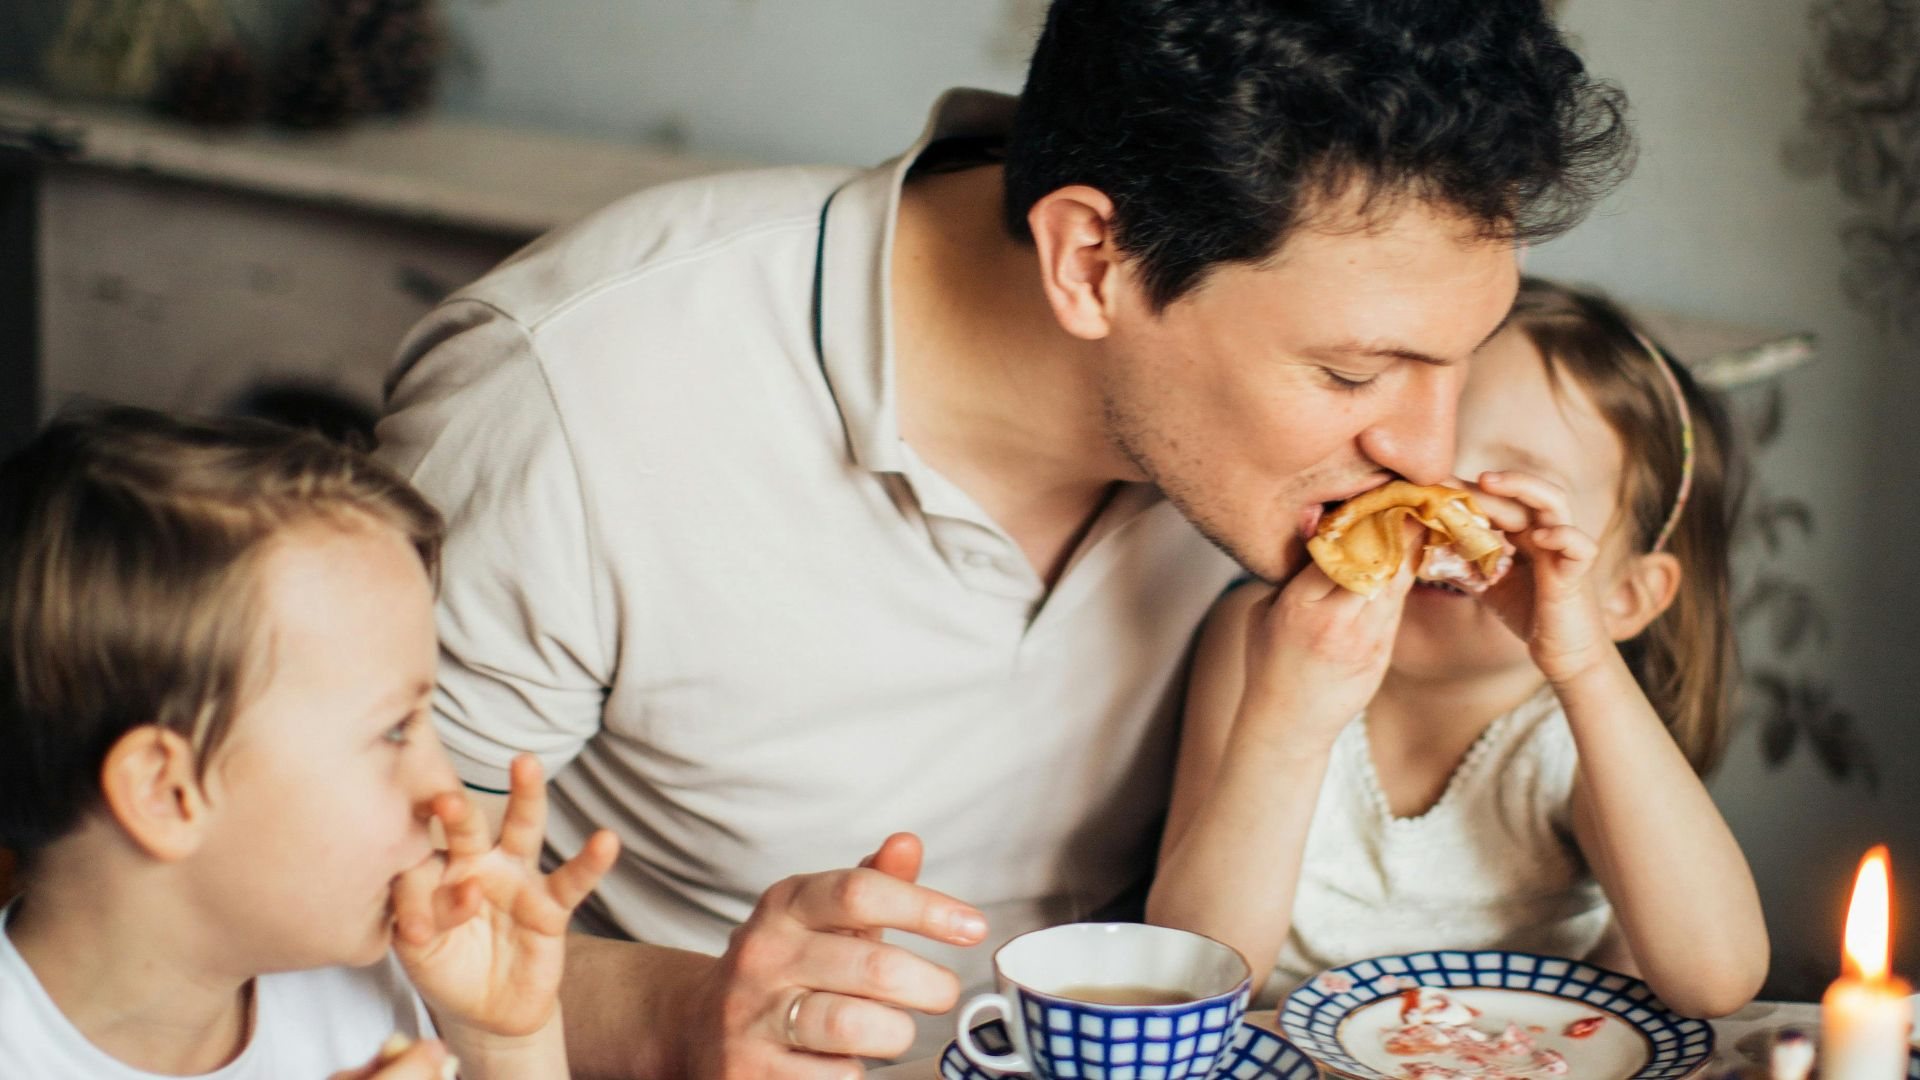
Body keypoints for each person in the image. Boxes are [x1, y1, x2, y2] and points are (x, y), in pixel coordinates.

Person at [373, 1, 1633, 1073]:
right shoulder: (569, 395)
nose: (1428, 448)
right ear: (1091, 260)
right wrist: (689, 1013)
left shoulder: (1289, 465)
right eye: (1356, 372)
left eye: (1456, 363)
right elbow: (358, 920)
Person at [1147, 279, 1769, 1017]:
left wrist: (1585, 664)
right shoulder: (1267, 640)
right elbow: (1189, 979)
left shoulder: (1576, 731)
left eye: (1512, 497)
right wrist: (1287, 725)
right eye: (1420, 473)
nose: (1442, 516)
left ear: (1623, 597)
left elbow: (1718, 979)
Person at [0, 407, 620, 1078]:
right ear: (167, 792)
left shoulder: (368, 985)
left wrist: (504, 1042)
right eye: (393, 730)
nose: (450, 796)